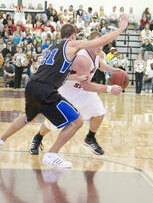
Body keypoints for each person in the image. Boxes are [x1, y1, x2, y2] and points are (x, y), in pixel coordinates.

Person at [0, 16, 128, 168]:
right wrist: (121, 28)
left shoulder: (53, 48)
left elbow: (55, 71)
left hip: (33, 85)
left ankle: (1, 139)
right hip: (47, 90)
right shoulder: (72, 45)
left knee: (28, 117)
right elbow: (101, 41)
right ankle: (52, 154)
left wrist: (76, 76)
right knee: (77, 122)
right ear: (73, 36)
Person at [29, 31, 121, 156]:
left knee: (99, 113)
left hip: (83, 91)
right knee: (53, 123)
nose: (100, 47)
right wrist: (109, 89)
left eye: (102, 44)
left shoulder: (96, 54)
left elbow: (98, 64)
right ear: (90, 43)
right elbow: (67, 78)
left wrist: (112, 69)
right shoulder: (80, 57)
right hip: (68, 91)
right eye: (98, 44)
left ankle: (90, 138)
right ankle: (37, 138)